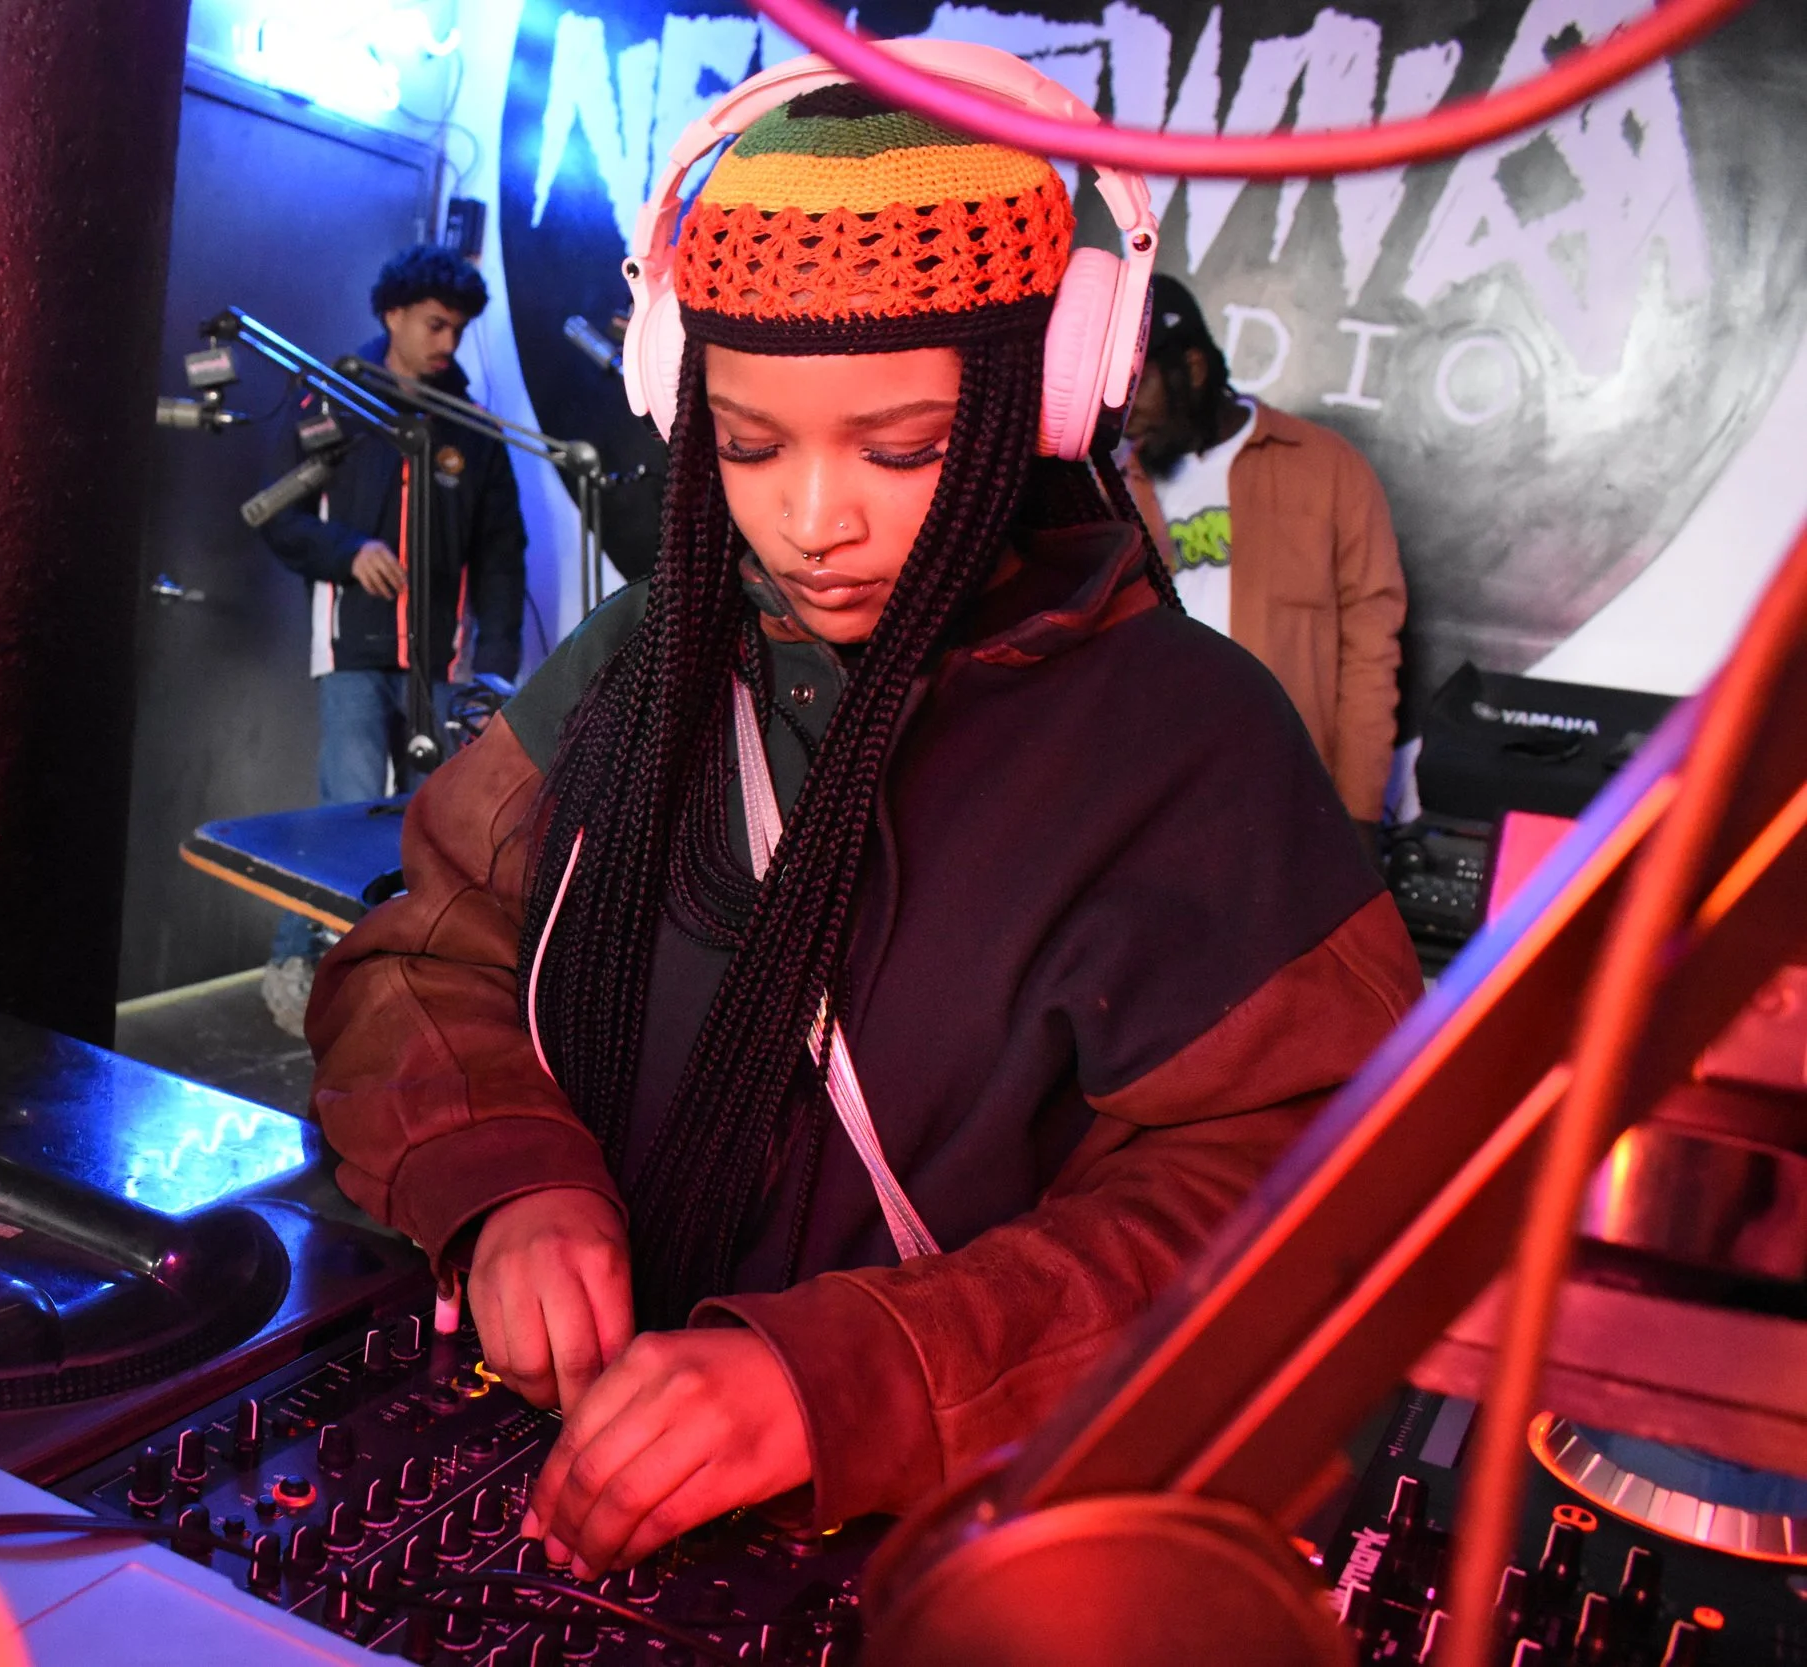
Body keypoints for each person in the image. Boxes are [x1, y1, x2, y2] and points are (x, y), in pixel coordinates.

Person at [306, 78, 1420, 1577]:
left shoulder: (1190, 741)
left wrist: (859, 1378)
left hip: (960, 1554)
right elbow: (415, 958)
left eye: (898, 450)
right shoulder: (638, 662)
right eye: (750, 446)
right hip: (565, 1479)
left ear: (1047, 395)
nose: (811, 519)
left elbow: (1297, 1208)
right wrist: (501, 1170)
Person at [258, 245, 528, 1035]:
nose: (449, 340)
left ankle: (404, 983)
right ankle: (296, 966)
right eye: (436, 323)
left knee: (433, 821)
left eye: (459, 328)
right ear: (393, 316)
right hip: (352, 648)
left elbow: (504, 555)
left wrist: (498, 674)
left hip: (442, 664)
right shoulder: (335, 400)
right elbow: (280, 516)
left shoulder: (473, 431)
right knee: (344, 809)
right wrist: (351, 553)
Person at [1121, 275, 1408, 842]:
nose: (1123, 407)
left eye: (1139, 382)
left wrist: (1360, 811)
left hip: (1287, 795)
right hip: (1152, 802)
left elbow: (1371, 649)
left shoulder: (1327, 468)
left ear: (1194, 370)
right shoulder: (1116, 487)